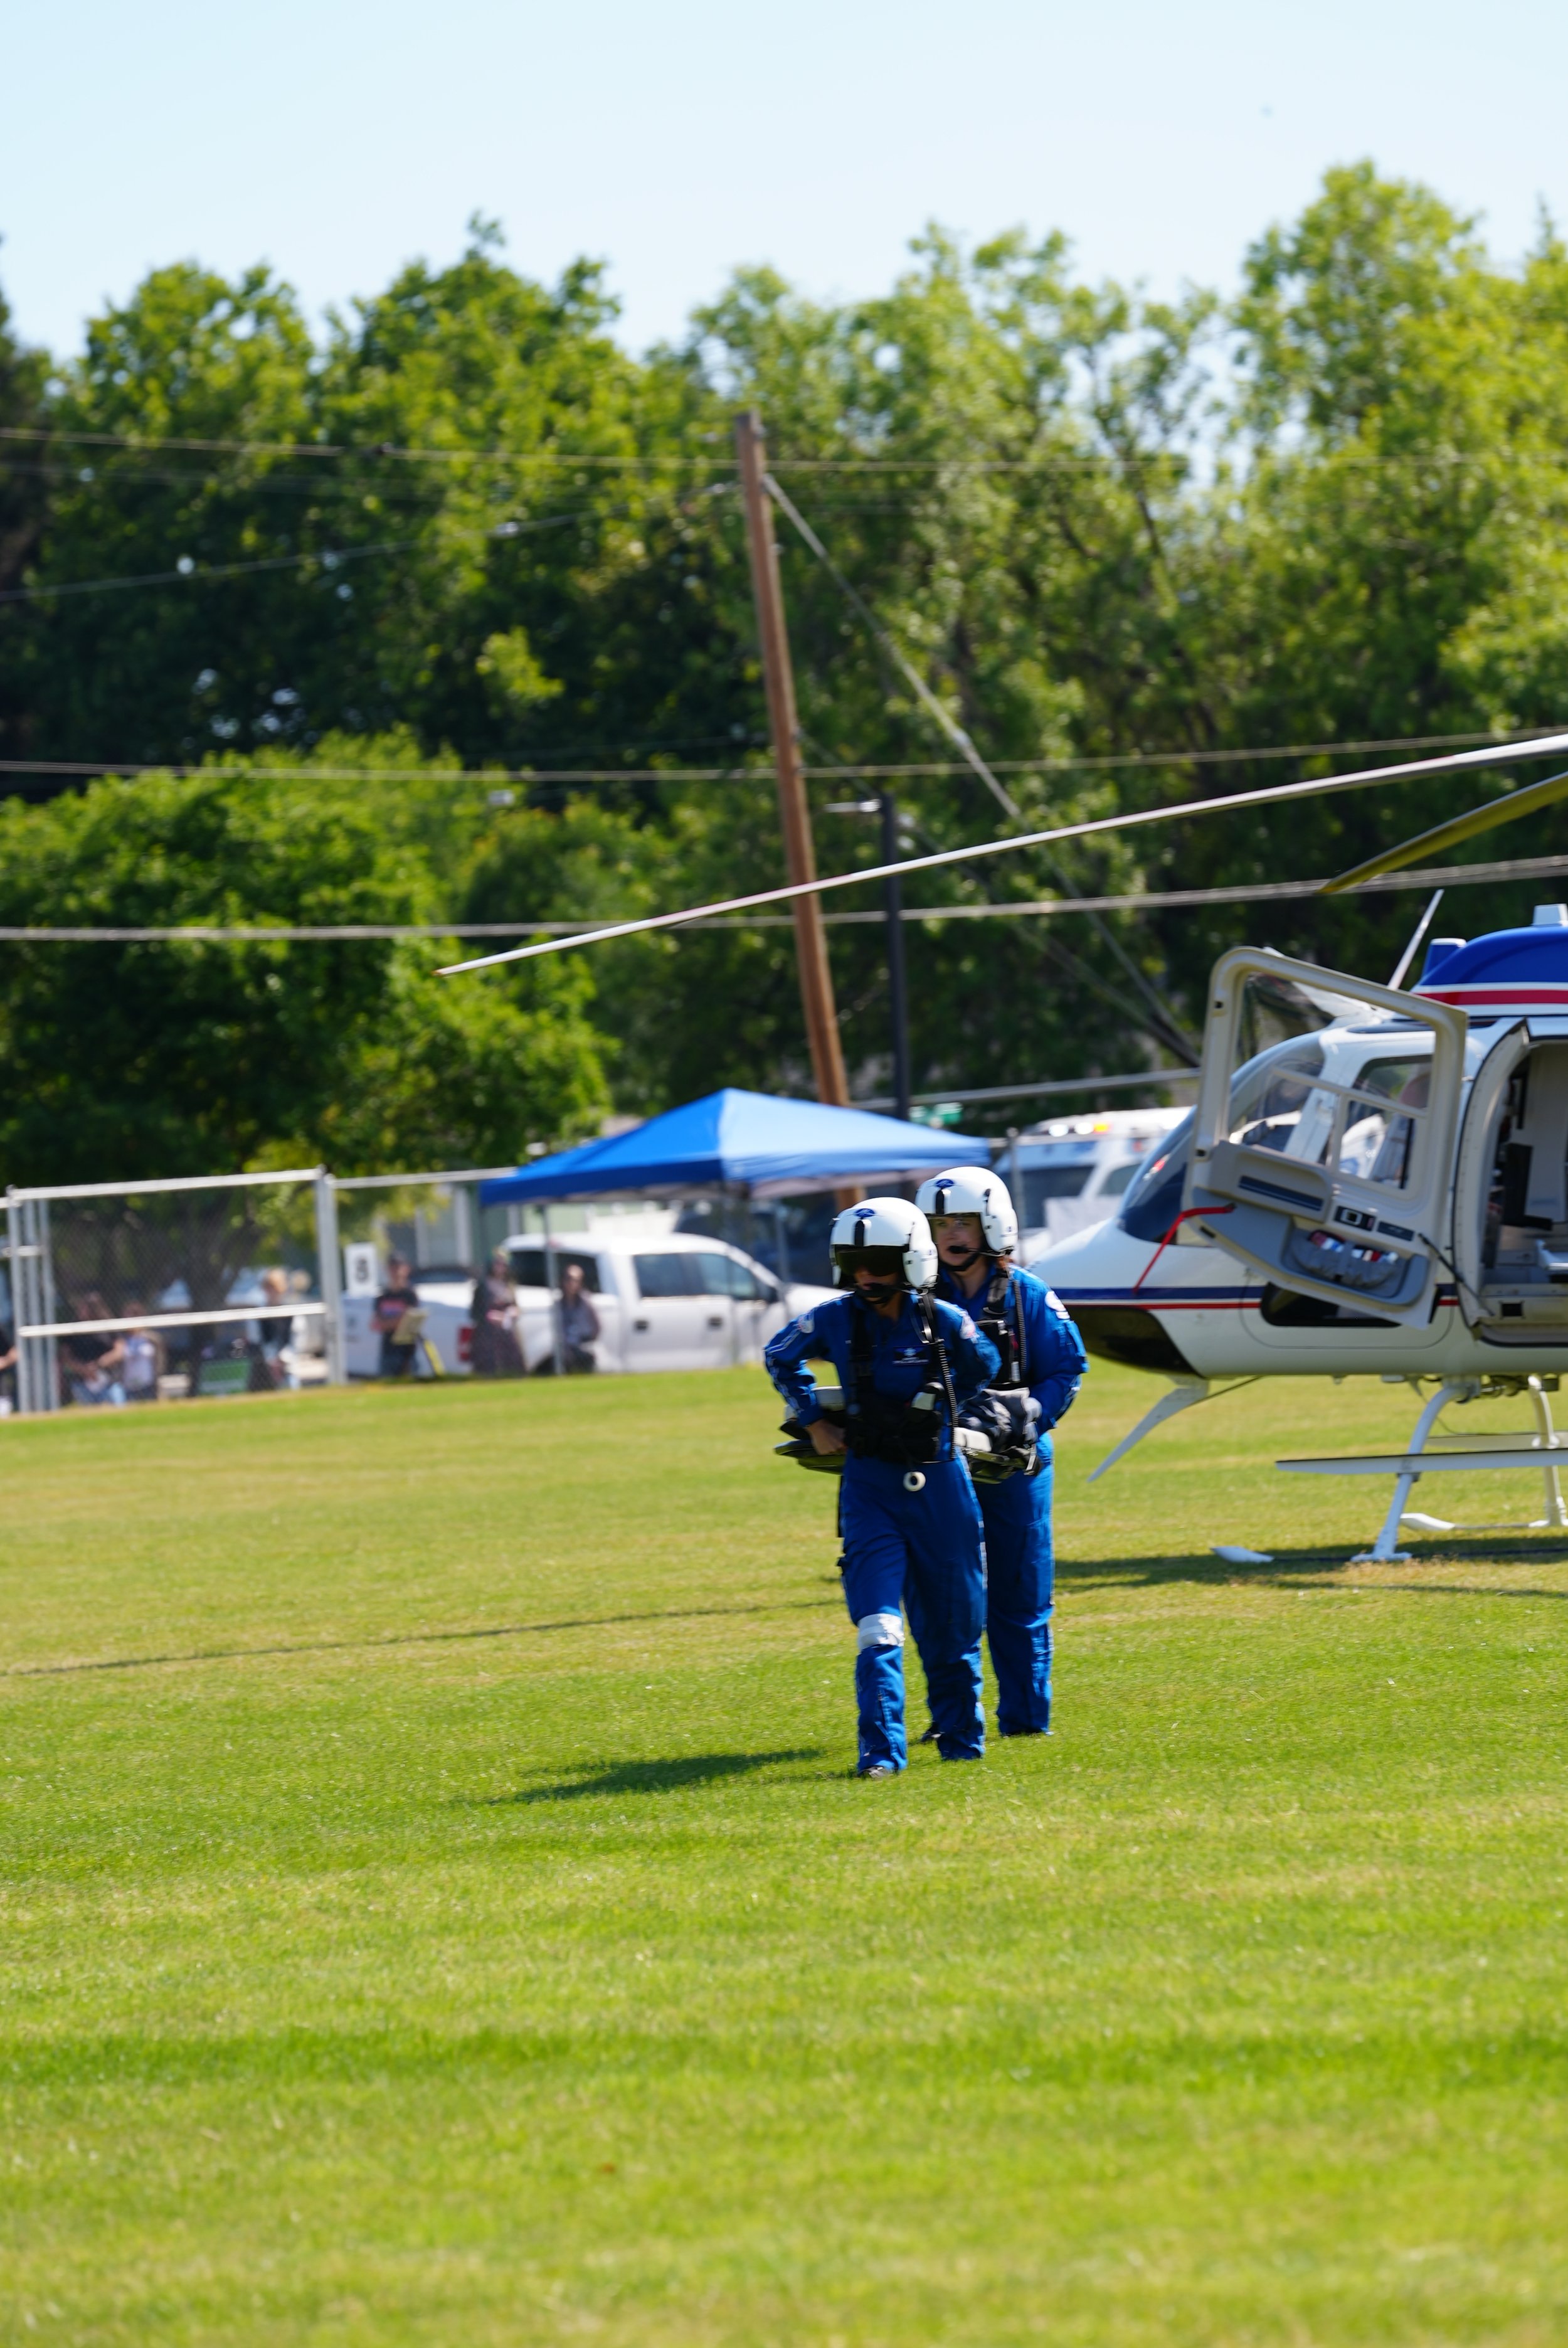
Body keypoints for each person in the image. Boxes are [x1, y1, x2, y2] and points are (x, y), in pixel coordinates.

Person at [765, 1197, 999, 1778]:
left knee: (955, 1624)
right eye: (854, 1262)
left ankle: (962, 1741)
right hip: (870, 1488)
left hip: (941, 1482)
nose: (866, 1275)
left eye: (879, 1262)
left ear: (912, 1260)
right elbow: (779, 1354)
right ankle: (881, 1755)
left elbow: (984, 1366)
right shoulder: (835, 1318)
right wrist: (813, 1419)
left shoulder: (946, 1322)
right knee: (877, 1621)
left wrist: (942, 1409)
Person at [914, 1165, 1088, 1739]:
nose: (950, 1235)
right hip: (940, 1466)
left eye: (963, 1220)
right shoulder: (913, 1300)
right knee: (946, 1596)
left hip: (1017, 1464)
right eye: (938, 1223)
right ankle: (954, 1720)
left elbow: (1068, 1367)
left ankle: (1026, 1721)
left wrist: (1028, 1417)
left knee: (1020, 1594)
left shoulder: (1028, 1295)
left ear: (992, 1223)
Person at [61, 1292, 127, 1408]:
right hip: (83, 1382)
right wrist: (83, 1369)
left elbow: (119, 1351)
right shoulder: (73, 1329)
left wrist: (99, 1364)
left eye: (84, 1308)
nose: (80, 1311)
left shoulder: (108, 1326)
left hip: (108, 1380)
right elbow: (65, 1356)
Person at [470, 1250, 526, 1376]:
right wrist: (491, 1317)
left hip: (507, 1333)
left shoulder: (509, 1285)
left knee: (514, 1367)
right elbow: (476, 1312)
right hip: (489, 1336)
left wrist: (514, 1313)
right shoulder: (483, 1286)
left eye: (504, 1264)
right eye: (497, 1263)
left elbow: (515, 1306)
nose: (501, 1267)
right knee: (491, 1368)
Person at [373, 1255, 422, 1379]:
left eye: (398, 1268)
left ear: (406, 1269)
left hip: (407, 1351)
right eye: (392, 1268)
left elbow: (410, 1320)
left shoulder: (410, 1295)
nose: (395, 1272)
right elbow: (375, 1324)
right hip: (388, 1350)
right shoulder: (383, 1297)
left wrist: (388, 1323)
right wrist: (397, 1321)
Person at [554, 1260, 601, 1374]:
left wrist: (589, 1340)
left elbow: (597, 1325)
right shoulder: (559, 1304)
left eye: (576, 1280)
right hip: (567, 1346)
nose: (572, 1283)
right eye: (569, 1279)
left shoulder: (585, 1302)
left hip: (583, 1343)